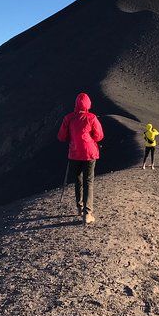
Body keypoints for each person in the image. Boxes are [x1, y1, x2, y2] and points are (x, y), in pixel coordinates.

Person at [58, 93, 104, 224]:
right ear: (88, 104)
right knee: (88, 181)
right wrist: (89, 140)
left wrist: (73, 139)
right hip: (89, 154)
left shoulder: (68, 118)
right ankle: (87, 214)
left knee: (78, 180)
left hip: (74, 153)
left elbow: (61, 136)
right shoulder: (92, 118)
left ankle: (79, 207)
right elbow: (99, 136)